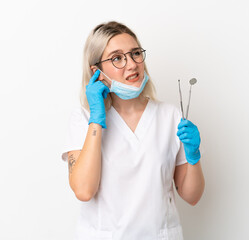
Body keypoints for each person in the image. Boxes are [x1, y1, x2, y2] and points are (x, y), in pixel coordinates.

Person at [61, 21, 205, 240]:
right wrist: (96, 121)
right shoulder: (83, 119)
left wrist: (194, 156)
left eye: (135, 53)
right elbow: (83, 190)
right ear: (96, 71)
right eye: (117, 58)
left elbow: (192, 196)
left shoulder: (170, 116)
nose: (131, 64)